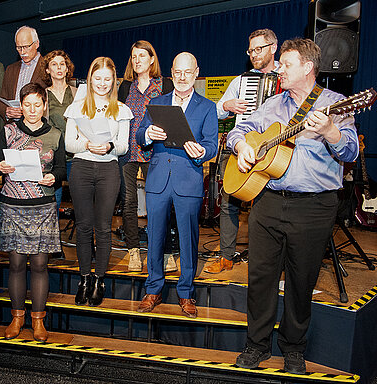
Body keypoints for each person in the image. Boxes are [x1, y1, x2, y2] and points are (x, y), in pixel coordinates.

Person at [229, 38, 358, 374]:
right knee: (260, 278)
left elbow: (350, 152)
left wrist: (330, 131)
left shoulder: (338, 104)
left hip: (314, 206)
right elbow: (238, 131)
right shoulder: (272, 105)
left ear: (307, 67)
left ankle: (294, 348)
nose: (279, 70)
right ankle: (256, 346)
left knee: (301, 281)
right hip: (268, 201)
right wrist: (242, 145)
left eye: (286, 65)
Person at [136, 52, 218, 318]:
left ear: (196, 73)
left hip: (189, 180)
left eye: (188, 72)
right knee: (155, 237)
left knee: (188, 240)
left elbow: (212, 144)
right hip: (158, 179)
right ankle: (153, 288)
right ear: (171, 73)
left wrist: (202, 152)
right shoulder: (157, 103)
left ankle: (186, 293)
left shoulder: (207, 107)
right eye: (178, 73)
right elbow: (139, 135)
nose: (182, 78)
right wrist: (147, 134)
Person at [0, 83, 66, 342]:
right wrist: (0, 166)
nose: (32, 110)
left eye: (37, 104)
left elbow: (61, 170)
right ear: (20, 106)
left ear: (44, 105)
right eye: (27, 105)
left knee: (39, 265)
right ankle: (17, 318)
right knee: (14, 264)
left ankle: (37, 321)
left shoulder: (55, 134)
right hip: (12, 205)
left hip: (42, 206)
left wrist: (52, 178)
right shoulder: (8, 130)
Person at [205, 28, 279, 275]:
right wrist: (226, 105)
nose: (254, 55)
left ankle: (264, 259)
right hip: (238, 146)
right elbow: (215, 111)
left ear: (273, 48)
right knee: (228, 202)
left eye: (259, 49)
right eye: (251, 50)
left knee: (265, 205)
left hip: (271, 149)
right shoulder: (241, 81)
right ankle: (226, 255)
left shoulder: (286, 76)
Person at [64, 57, 132, 307]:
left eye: (107, 79)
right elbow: (69, 144)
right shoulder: (77, 107)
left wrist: (110, 146)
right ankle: (84, 278)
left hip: (108, 170)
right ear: (90, 79)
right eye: (97, 78)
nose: (102, 83)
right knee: (83, 226)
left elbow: (124, 146)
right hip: (81, 167)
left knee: (103, 228)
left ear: (114, 81)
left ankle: (100, 279)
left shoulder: (121, 109)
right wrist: (87, 144)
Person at [117, 40, 174, 273]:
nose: (137, 60)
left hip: (157, 151)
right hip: (129, 151)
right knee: (129, 203)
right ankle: (133, 251)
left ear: (152, 59)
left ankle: (166, 251)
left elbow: (172, 118)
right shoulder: (125, 87)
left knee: (158, 203)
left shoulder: (165, 85)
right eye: (134, 56)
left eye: (142, 55)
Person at [42, 50, 77, 210]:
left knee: (80, 200)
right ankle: (52, 236)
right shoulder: (43, 95)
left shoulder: (78, 93)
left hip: (75, 154)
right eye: (54, 64)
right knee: (53, 202)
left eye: (62, 64)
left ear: (67, 68)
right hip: (54, 156)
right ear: (48, 70)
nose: (59, 68)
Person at [0, 26, 47, 123]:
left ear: (36, 44)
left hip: (37, 126)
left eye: (26, 47)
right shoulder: (10, 69)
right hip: (14, 126)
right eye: (19, 48)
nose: (23, 52)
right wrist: (7, 111)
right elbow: (0, 100)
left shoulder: (47, 67)